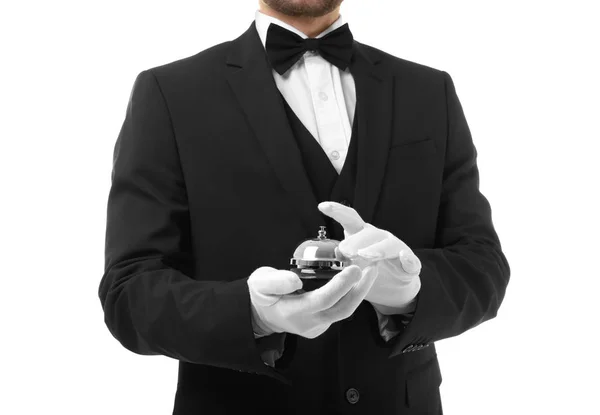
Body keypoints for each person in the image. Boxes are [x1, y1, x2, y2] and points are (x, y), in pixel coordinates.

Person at [98, 0, 511, 413]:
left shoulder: (429, 90)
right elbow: (130, 294)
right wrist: (251, 315)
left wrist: (410, 292)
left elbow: (483, 266)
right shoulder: (169, 93)